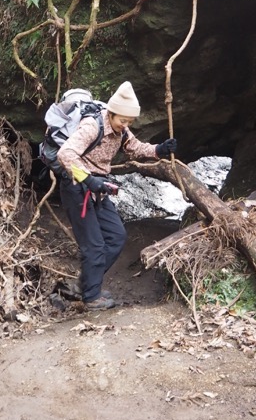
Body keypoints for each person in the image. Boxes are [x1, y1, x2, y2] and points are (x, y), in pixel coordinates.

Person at [57, 81, 177, 310]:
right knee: (94, 246)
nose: (126, 125)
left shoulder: (121, 129)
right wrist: (87, 179)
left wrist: (159, 149)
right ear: (111, 113)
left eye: (130, 122)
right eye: (123, 120)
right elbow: (66, 153)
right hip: (77, 188)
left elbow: (135, 148)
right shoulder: (92, 125)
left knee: (116, 236)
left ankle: (86, 285)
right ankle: (91, 298)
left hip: (98, 189)